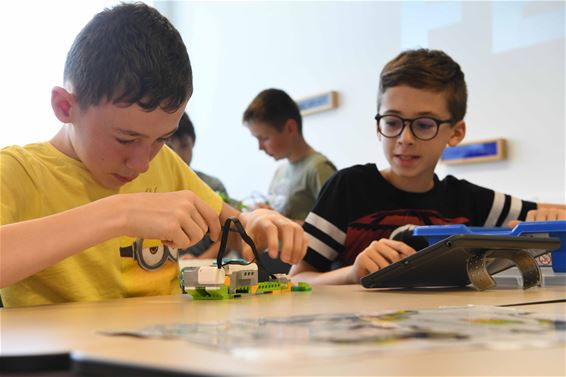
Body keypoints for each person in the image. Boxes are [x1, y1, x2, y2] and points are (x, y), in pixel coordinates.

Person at [0, 3, 307, 308]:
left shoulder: (164, 163)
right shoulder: (17, 171)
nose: (142, 163)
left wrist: (256, 221)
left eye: (161, 139)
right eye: (125, 139)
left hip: (166, 347)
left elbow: (233, 225)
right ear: (66, 107)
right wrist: (119, 213)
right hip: (64, 356)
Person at [289, 48, 566, 285]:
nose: (405, 139)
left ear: (456, 132)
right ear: (378, 126)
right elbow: (298, 279)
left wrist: (551, 219)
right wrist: (353, 273)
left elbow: (544, 215)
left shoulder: (468, 201)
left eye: (424, 125)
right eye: (392, 122)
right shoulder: (348, 187)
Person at [242, 88, 337, 223]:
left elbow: (335, 225)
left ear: (290, 128)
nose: (260, 147)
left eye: (265, 138)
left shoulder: (319, 169)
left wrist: (280, 221)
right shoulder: (280, 171)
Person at [167, 112, 228, 195]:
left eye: (184, 146)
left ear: (193, 143)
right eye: (170, 148)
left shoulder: (212, 186)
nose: (177, 154)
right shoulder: (152, 186)